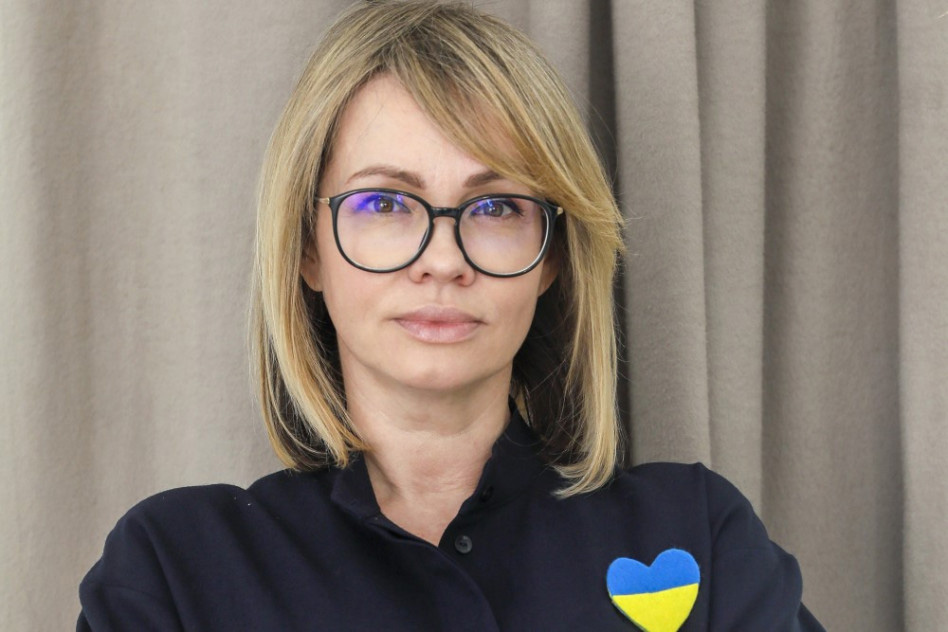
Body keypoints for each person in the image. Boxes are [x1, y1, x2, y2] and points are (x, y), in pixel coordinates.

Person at [78, 1, 824, 630]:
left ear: (552, 256)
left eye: (496, 207)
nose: (443, 260)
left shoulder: (699, 533)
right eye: (384, 203)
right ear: (308, 249)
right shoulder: (174, 570)